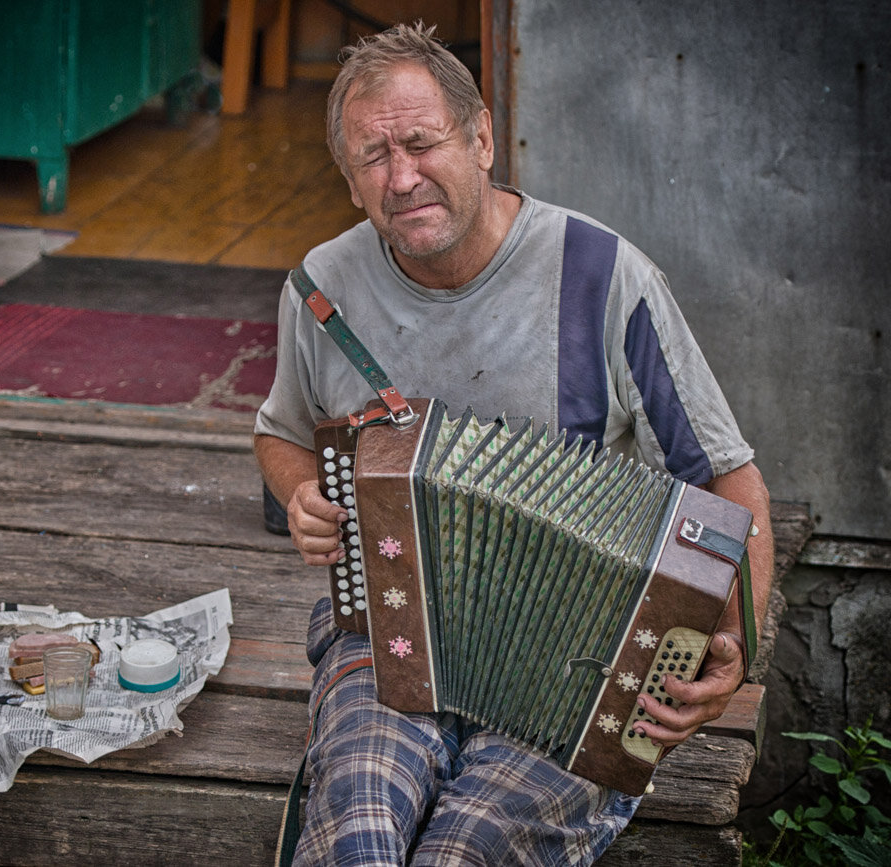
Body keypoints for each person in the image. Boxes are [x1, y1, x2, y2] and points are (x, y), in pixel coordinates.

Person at [254, 21, 773, 866]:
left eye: (422, 142)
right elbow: (278, 433)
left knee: (464, 852)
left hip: (584, 659)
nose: (403, 176)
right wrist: (300, 494)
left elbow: (726, 479)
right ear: (348, 182)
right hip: (387, 632)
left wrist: (736, 648)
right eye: (372, 158)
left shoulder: (606, 278)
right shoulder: (321, 289)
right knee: (357, 835)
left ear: (483, 137)